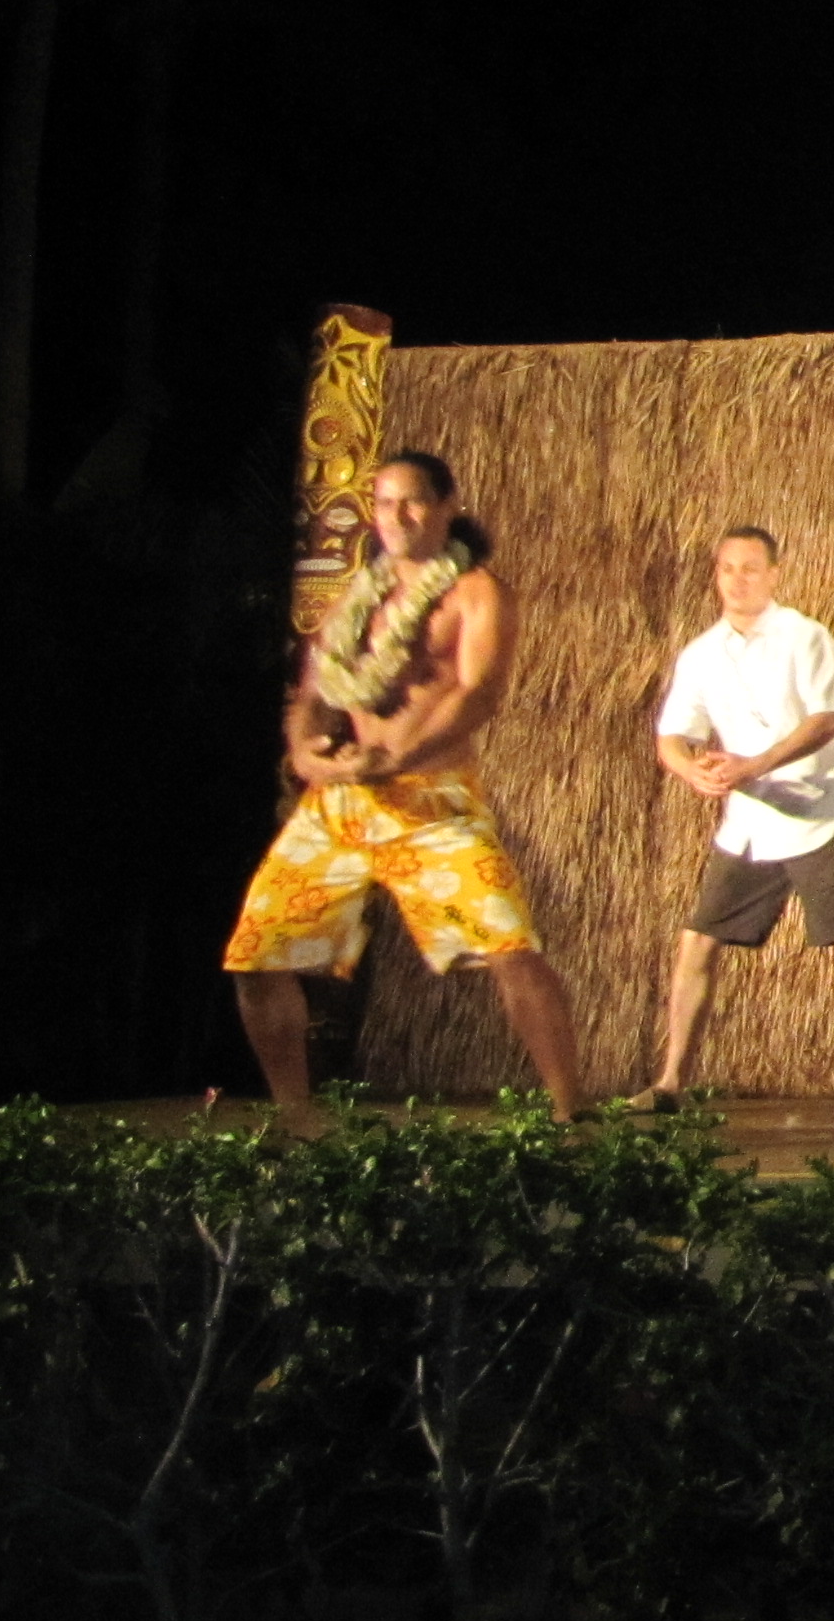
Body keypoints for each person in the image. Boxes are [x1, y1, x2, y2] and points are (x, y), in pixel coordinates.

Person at [222, 451, 583, 1124]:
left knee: (509, 948)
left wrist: (397, 757)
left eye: (413, 501)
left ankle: (570, 1112)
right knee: (256, 955)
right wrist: (306, 751)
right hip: (341, 803)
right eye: (385, 503)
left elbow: (478, 694)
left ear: (447, 507)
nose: (398, 516)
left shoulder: (478, 592)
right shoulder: (358, 598)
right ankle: (295, 1115)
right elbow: (314, 695)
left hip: (432, 800)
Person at [639, 527, 834, 1113]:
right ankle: (671, 1081)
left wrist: (755, 764)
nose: (738, 580)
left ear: (773, 574)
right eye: (727, 569)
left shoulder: (805, 636)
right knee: (698, 938)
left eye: (750, 568)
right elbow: (672, 735)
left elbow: (830, 718)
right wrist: (691, 770)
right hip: (751, 819)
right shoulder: (702, 653)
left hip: (822, 807)